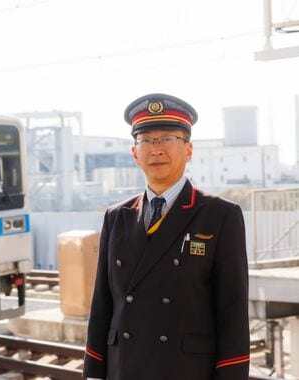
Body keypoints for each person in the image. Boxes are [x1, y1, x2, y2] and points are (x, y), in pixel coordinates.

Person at [83, 93, 249, 380]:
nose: (155, 150)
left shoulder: (220, 215)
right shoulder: (116, 216)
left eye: (167, 139)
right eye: (146, 140)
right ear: (135, 153)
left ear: (188, 150)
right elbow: (102, 307)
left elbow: (232, 312)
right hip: (124, 369)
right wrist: (94, 373)